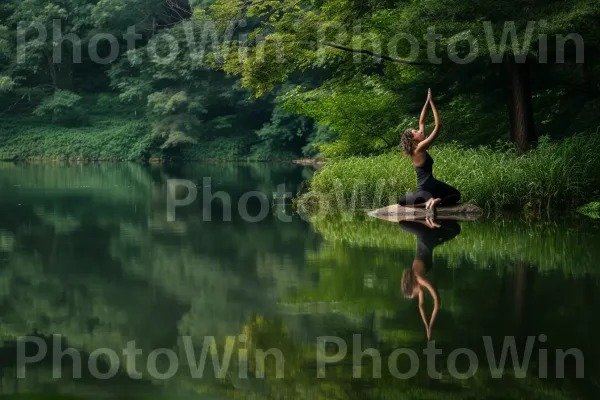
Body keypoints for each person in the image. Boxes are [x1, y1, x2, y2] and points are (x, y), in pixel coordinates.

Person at [398, 89, 461, 210]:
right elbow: (438, 125)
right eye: (416, 132)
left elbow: (421, 121)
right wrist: (432, 103)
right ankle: (434, 201)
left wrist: (427, 101)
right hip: (432, 186)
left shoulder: (416, 148)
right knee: (455, 195)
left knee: (401, 201)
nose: (419, 131)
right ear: (413, 139)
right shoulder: (420, 147)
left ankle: (431, 201)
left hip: (424, 190)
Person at [399, 218, 461, 340]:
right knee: (455, 230)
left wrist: (431, 325)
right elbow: (421, 306)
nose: (417, 294)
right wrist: (426, 325)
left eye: (414, 293)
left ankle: (428, 221)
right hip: (427, 239)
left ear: (413, 285)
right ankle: (430, 222)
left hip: (427, 238)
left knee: (455, 230)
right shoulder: (417, 279)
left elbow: (437, 300)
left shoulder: (420, 278)